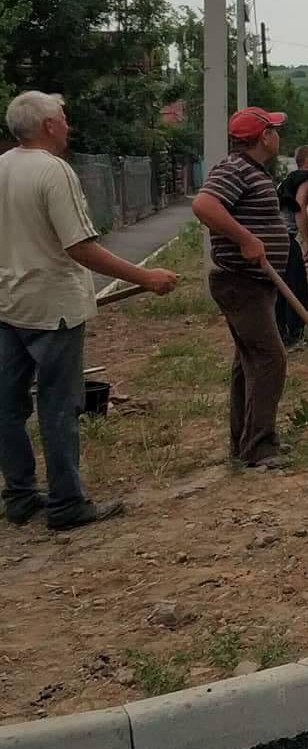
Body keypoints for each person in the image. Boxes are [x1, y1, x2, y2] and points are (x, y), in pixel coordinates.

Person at [0, 90, 179, 530]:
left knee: (7, 405)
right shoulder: (53, 171)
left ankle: (19, 495)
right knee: (59, 407)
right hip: (53, 309)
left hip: (7, 306)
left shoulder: (3, 166)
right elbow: (80, 247)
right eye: (63, 117)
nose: (68, 124)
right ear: (48, 125)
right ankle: (66, 503)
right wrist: (145, 276)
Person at [191, 107, 292, 469]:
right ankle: (259, 446)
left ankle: (245, 440)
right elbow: (203, 204)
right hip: (240, 281)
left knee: (248, 360)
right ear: (264, 136)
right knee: (270, 358)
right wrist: (246, 239)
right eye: (274, 130)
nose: (277, 136)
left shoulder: (250, 170)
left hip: (252, 283)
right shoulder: (235, 168)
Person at [275, 145, 308, 347]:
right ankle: (295, 334)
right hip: (285, 236)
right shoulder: (305, 177)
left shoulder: (289, 179)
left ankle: (280, 332)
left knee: (281, 287)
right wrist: (306, 242)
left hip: (273, 237)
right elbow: (299, 205)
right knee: (296, 286)